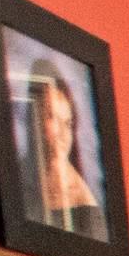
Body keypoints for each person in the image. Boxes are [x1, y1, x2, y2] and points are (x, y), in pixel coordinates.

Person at [20, 63, 105, 238]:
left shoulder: (83, 201)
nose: (63, 134)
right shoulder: (17, 176)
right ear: (35, 117)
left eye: (67, 123)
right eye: (52, 117)